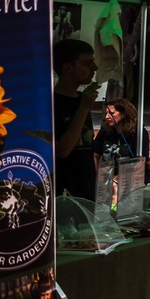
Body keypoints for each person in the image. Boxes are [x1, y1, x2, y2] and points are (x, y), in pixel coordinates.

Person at [52, 39, 100, 200]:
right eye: (87, 63)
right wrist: (84, 108)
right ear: (68, 68)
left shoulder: (82, 99)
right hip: (64, 193)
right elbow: (62, 150)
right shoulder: (51, 103)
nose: (94, 68)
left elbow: (88, 148)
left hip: (86, 190)